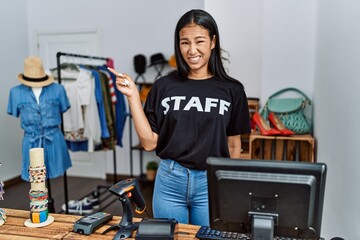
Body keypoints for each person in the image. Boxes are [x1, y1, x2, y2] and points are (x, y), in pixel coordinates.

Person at [108, 9, 250, 226]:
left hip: (210, 183)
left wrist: (228, 185)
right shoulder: (164, 86)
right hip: (169, 181)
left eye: (199, 41)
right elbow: (148, 143)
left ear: (213, 42)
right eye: (185, 42)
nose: (192, 50)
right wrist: (133, 97)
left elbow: (233, 144)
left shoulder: (232, 90)